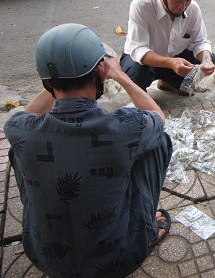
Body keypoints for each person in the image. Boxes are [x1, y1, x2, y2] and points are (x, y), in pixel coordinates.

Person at [4, 23, 173, 278]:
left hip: (44, 257)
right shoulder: (126, 127)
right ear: (100, 73)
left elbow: (31, 114)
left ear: (47, 82)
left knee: (18, 149)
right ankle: (147, 227)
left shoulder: (21, 128)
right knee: (159, 140)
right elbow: (157, 116)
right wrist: (120, 74)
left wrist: (57, 76)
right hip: (120, 260)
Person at [120, 0, 215, 96]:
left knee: (212, 58)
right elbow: (138, 49)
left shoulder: (193, 9)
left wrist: (206, 61)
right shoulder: (141, 5)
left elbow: (200, 42)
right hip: (146, 61)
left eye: (188, 0)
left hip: (174, 59)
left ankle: (169, 83)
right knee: (135, 72)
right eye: (177, 0)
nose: (182, 6)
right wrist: (171, 63)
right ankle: (141, 96)